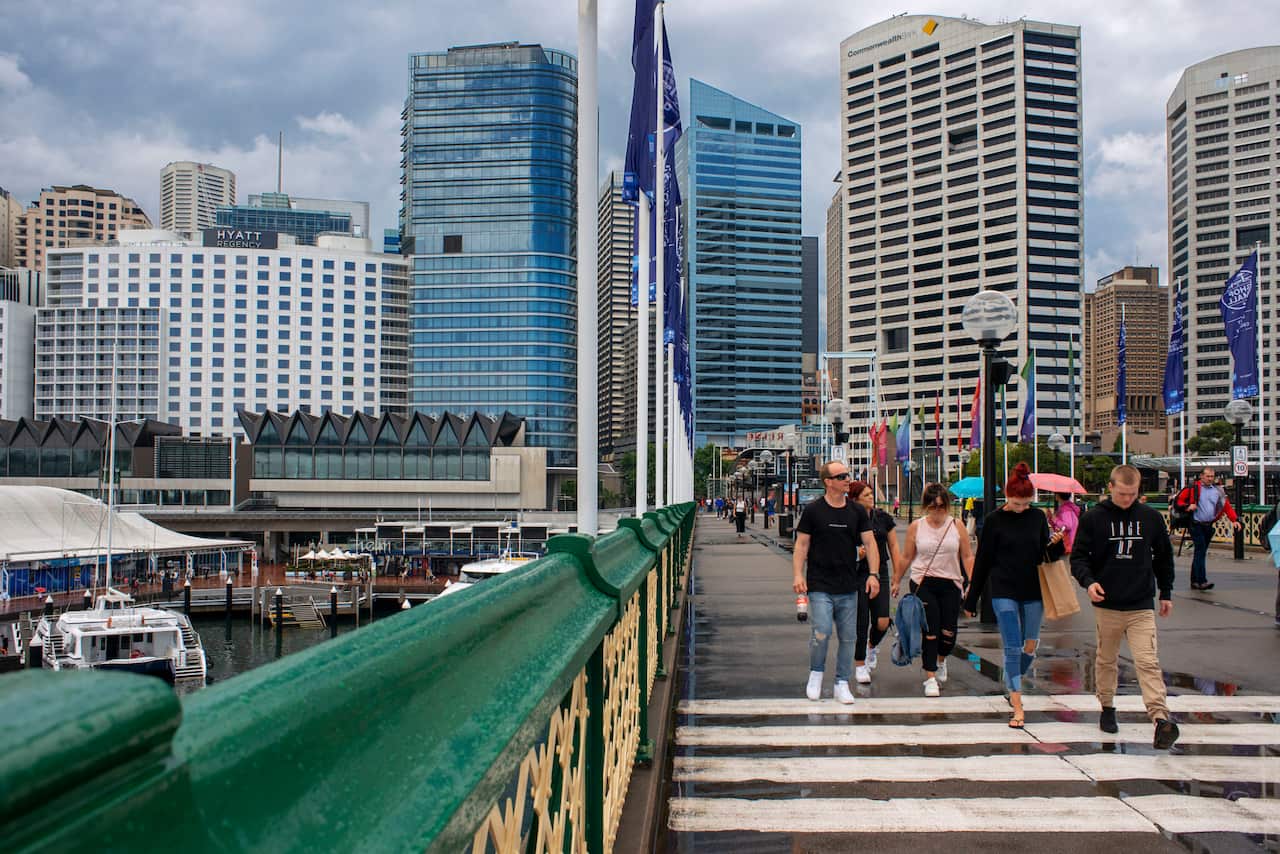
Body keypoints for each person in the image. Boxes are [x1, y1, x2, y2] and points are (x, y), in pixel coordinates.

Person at [1071, 464, 1179, 750]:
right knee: (1107, 660)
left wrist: (1166, 591)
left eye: (1132, 494)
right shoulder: (1094, 519)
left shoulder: (1151, 518)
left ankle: (1159, 717)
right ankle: (1107, 706)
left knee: (1148, 661)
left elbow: (1163, 557)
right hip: (1107, 602)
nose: (1127, 499)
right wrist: (1088, 582)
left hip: (1141, 603)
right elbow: (1079, 557)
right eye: (1122, 494)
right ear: (1111, 488)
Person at [964, 464, 1065, 727]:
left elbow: (1046, 554)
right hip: (1003, 588)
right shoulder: (995, 521)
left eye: (1025, 504)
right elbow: (983, 561)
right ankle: (1018, 704)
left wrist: (1057, 545)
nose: (1021, 508)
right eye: (1017, 503)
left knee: (1029, 644)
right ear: (1007, 497)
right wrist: (971, 597)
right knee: (1011, 646)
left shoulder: (1037, 517)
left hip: (1033, 587)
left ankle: (1012, 681)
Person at [793, 460, 881, 704]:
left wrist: (873, 574)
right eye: (841, 476)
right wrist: (798, 575)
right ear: (828, 482)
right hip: (820, 582)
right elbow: (801, 545)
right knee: (821, 631)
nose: (847, 480)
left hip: (848, 583)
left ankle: (842, 682)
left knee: (849, 637)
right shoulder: (813, 511)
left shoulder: (856, 512)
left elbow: (870, 543)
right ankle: (816, 674)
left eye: (847, 475)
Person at [893, 482, 973, 697]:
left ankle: (941, 658)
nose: (938, 511)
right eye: (933, 506)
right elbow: (907, 556)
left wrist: (972, 583)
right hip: (923, 581)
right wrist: (896, 580)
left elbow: (967, 556)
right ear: (926, 506)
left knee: (948, 634)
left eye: (941, 506)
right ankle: (930, 676)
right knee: (931, 631)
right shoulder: (917, 527)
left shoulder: (957, 526)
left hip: (951, 582)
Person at [850, 481, 902, 684]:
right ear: (855, 499)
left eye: (872, 494)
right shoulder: (850, 518)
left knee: (881, 620)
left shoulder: (883, 518)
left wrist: (897, 576)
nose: (871, 498)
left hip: (880, 570)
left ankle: (872, 646)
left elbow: (894, 547)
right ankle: (860, 663)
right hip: (857, 572)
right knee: (861, 620)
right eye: (866, 495)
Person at [1174, 467, 1241, 590]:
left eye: (1212, 476)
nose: (1210, 479)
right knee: (1200, 551)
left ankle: (1194, 580)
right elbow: (1178, 502)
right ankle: (1201, 580)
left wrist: (1234, 520)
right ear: (1202, 476)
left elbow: (1226, 506)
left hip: (1208, 525)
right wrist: (1188, 506)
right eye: (1208, 476)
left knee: (1200, 552)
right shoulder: (1193, 488)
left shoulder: (1217, 491)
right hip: (1196, 524)